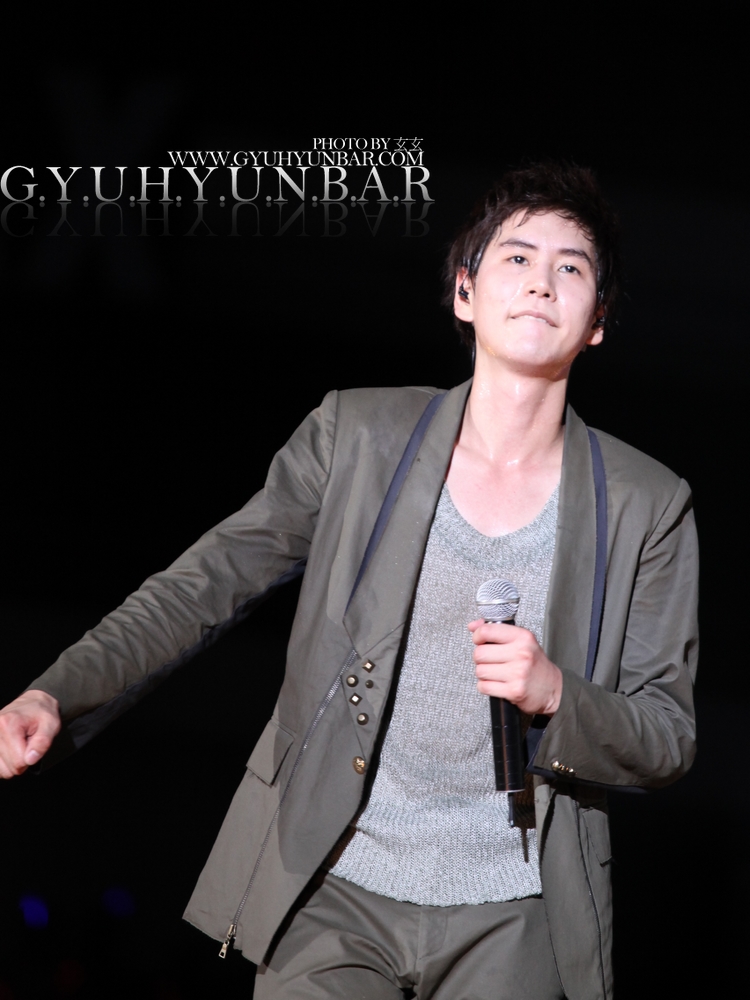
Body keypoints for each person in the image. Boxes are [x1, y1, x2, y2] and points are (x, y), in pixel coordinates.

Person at [0, 163, 698, 999]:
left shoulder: (646, 504)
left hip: (516, 907)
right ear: (465, 292)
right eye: (517, 258)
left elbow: (667, 735)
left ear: (598, 322)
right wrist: (58, 692)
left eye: (571, 267)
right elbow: (205, 585)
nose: (542, 282)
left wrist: (556, 694)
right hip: (333, 879)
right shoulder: (358, 436)